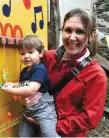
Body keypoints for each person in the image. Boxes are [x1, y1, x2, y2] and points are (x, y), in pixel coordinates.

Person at [20, 8, 107, 137]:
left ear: (91, 35)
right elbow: (28, 80)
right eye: (68, 30)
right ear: (62, 31)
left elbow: (90, 118)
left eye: (80, 31)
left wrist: (50, 125)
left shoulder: (95, 74)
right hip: (34, 129)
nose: (72, 37)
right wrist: (23, 98)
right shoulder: (47, 58)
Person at [1, 35, 60, 137]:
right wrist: (14, 85)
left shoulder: (40, 69)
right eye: (23, 53)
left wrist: (10, 91)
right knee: (23, 135)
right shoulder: (24, 71)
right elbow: (23, 84)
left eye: (30, 52)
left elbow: (31, 89)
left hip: (44, 110)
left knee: (49, 135)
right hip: (29, 110)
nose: (26, 56)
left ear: (41, 53)